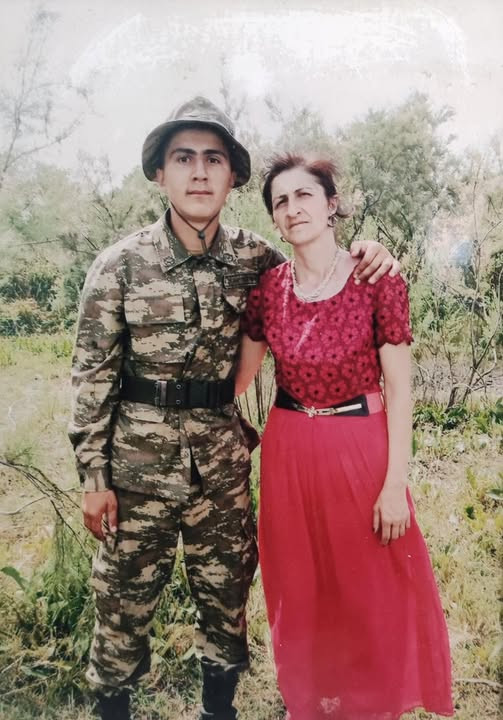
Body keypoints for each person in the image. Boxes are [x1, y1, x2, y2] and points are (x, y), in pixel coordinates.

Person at [68, 98, 400, 720]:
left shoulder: (257, 260)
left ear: (232, 177)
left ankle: (217, 710)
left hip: (221, 470)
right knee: (121, 607)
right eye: (183, 158)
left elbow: (318, 267)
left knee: (226, 601)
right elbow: (91, 376)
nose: (199, 172)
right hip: (136, 471)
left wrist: (371, 252)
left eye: (213, 159)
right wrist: (94, 477)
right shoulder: (118, 266)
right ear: (160, 173)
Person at [237, 153, 454, 720]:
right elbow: (239, 378)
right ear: (274, 218)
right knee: (301, 584)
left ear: (331, 204)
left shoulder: (376, 278)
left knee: (370, 584)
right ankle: (312, 702)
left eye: (304, 195)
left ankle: (372, 703)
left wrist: (395, 484)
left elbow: (400, 389)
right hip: (288, 448)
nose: (292, 208)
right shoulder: (268, 289)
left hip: (359, 445)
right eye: (280, 201)